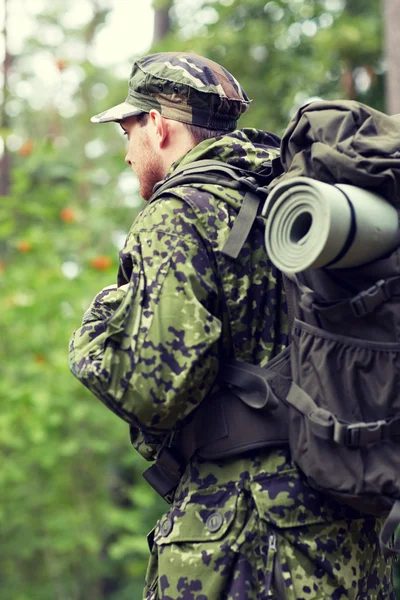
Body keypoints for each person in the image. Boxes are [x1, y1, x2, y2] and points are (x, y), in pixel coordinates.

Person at [69, 52, 394, 599]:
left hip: (242, 535)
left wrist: (92, 335)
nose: (126, 153)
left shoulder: (178, 212)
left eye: (128, 130)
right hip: (344, 525)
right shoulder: (292, 191)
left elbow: (159, 390)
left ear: (160, 125)